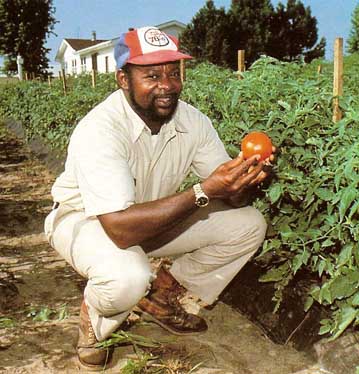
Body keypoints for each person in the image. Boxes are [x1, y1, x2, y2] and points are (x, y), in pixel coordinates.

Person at [44, 26, 274, 370]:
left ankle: (162, 296)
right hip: (87, 223)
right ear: (123, 79)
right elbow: (120, 230)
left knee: (248, 224)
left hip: (150, 219)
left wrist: (248, 177)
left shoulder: (191, 121)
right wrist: (203, 191)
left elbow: (231, 196)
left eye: (172, 73)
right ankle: (95, 322)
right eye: (151, 75)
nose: (166, 85)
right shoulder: (101, 130)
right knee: (128, 276)